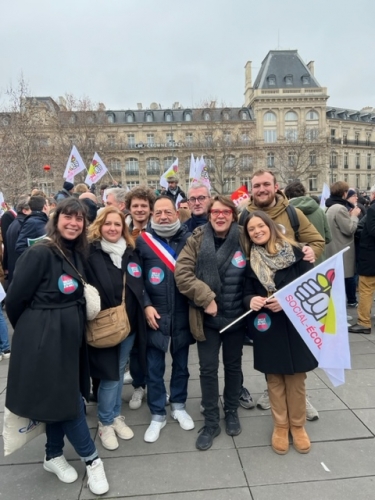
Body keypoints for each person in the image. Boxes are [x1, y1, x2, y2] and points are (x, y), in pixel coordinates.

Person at [5, 198, 109, 495]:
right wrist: (33, 332)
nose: (74, 223)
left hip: (70, 337)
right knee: (69, 401)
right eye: (68, 217)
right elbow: (14, 300)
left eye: (79, 219)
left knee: (61, 398)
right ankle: (92, 460)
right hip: (44, 339)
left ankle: (52, 454)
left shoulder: (76, 252)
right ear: (56, 218)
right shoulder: (39, 252)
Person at [240, 170, 324, 419]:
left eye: (266, 184)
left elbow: (317, 241)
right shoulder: (242, 215)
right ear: (251, 189)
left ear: (276, 186)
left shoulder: (292, 213)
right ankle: (274, 393)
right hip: (262, 295)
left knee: (297, 356)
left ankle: (300, 399)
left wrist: (309, 252)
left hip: (292, 295)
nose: (262, 189)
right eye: (257, 185)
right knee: (271, 356)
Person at [175, 196, 248, 451]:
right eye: (215, 211)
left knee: (233, 366)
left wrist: (303, 250)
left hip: (237, 316)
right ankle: (211, 420)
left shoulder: (244, 237)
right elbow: (182, 274)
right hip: (206, 318)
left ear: (233, 215)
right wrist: (206, 298)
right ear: (209, 215)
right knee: (207, 369)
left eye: (225, 212)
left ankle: (231, 410)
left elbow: (271, 253)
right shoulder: (196, 239)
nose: (219, 216)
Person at [243, 211, 317, 454]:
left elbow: (313, 288)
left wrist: (287, 300)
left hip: (296, 325)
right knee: (274, 380)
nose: (256, 231)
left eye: (260, 226)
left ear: (270, 226)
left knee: (296, 379)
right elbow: (246, 292)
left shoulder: (298, 254)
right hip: (269, 326)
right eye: (251, 229)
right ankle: (280, 426)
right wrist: (251, 299)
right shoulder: (250, 261)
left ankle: (298, 426)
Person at [85, 206, 147, 450]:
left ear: (124, 227)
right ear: (99, 226)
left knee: (120, 371)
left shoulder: (131, 252)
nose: (113, 228)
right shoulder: (90, 253)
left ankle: (114, 415)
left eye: (117, 224)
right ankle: (105, 422)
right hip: (104, 327)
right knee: (110, 376)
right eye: (108, 224)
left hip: (129, 325)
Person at [137, 196, 195, 442]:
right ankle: (157, 413)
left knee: (181, 365)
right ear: (152, 215)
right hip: (155, 314)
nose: (163, 216)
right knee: (154, 367)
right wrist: (146, 305)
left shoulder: (190, 239)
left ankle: (179, 405)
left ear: (176, 213)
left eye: (167, 212)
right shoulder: (142, 241)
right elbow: (134, 279)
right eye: (158, 212)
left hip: (183, 312)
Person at [124, 186, 156, 409]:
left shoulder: (158, 231)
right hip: (130, 298)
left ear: (150, 209)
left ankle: (155, 387)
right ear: (129, 208)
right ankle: (138, 385)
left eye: (144, 205)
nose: (140, 209)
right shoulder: (121, 231)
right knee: (134, 347)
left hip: (154, 297)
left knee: (153, 346)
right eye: (135, 205)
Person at [325, 181, 360, 307]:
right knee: (342, 283)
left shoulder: (329, 206)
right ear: (344, 193)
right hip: (341, 249)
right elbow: (349, 229)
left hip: (333, 249)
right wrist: (354, 216)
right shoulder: (339, 208)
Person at [284, 180, 331, 265]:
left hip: (299, 264)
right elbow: (328, 237)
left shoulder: (285, 212)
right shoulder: (320, 211)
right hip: (319, 260)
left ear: (288, 196)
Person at [349, 185, 375, 334]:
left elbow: (372, 230)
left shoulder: (372, 209)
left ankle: (364, 322)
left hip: (370, 257)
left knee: (365, 290)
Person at [3, 194, 31, 284]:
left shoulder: (15, 223)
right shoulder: (24, 225)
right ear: (25, 210)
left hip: (16, 272)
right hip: (21, 274)